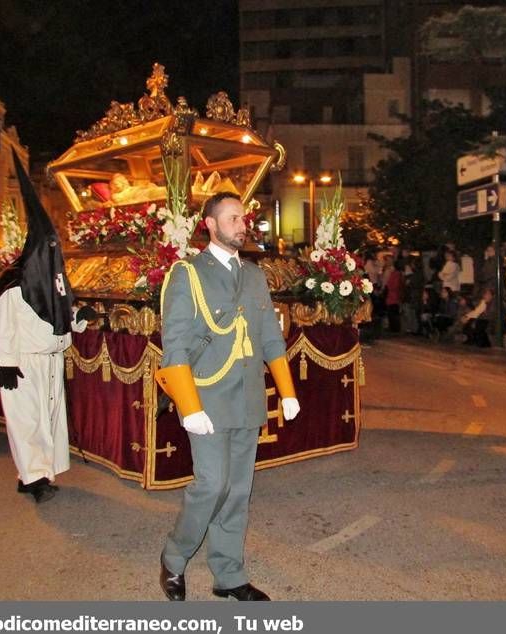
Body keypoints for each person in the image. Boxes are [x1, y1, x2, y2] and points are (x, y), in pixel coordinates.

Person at [155, 191, 300, 602]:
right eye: (233, 218)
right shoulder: (187, 273)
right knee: (211, 484)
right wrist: (188, 404)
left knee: (238, 490)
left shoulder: (255, 275)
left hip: (248, 397)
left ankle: (229, 574)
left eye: (244, 217)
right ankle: (175, 556)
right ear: (211, 225)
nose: (243, 224)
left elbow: (271, 337)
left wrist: (286, 392)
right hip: (206, 396)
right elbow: (176, 344)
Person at [0, 151, 93, 503]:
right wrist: (5, 365)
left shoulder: (56, 286)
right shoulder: (13, 288)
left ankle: (35, 473)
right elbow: (2, 327)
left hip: (51, 361)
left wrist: (80, 319)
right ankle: (33, 480)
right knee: (27, 422)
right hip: (24, 364)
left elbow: (63, 322)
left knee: (47, 418)